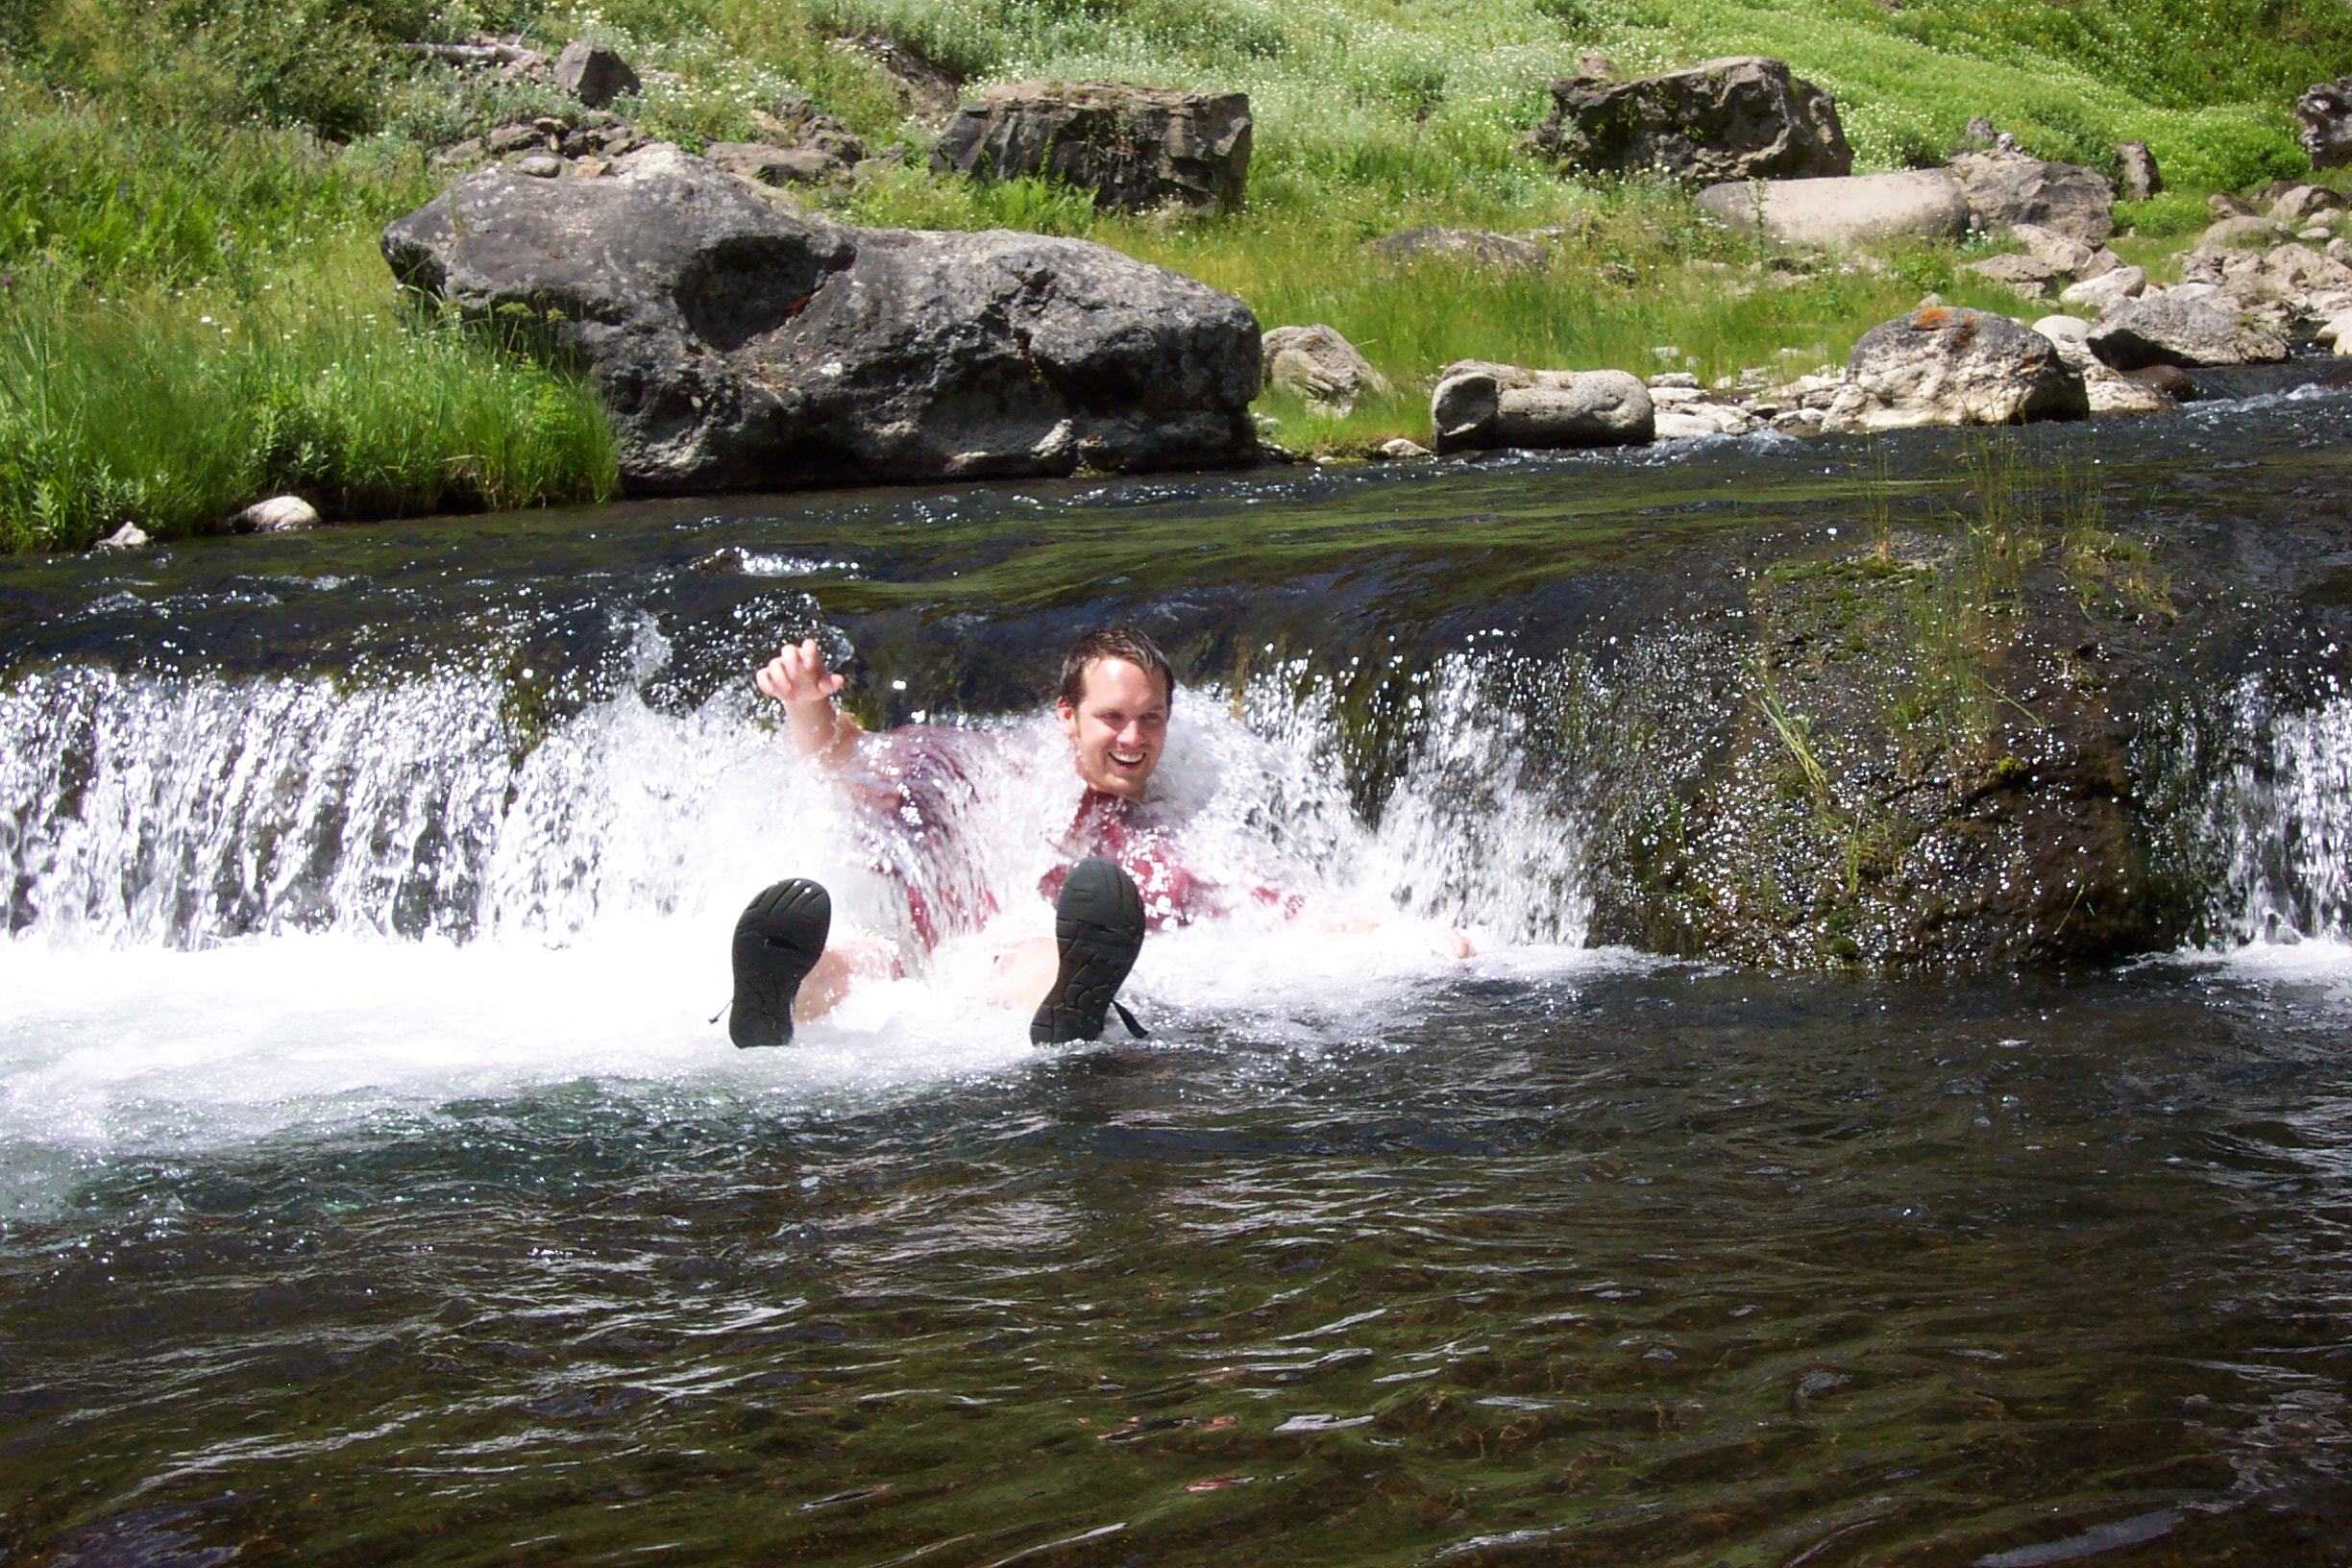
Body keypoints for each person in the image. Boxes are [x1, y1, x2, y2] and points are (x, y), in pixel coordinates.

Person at [728, 625, 1195, 1047]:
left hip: (991, 968)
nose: (1133, 737)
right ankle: (776, 1001)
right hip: (930, 950)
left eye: (1151, 718)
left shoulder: (1192, 814)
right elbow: (848, 757)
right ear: (1067, 716)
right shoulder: (1003, 767)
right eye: (1112, 717)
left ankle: (1074, 1011)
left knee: (1033, 954)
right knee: (863, 957)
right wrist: (806, 704)